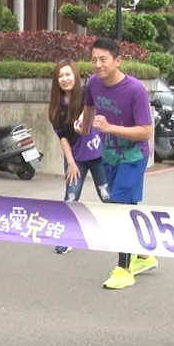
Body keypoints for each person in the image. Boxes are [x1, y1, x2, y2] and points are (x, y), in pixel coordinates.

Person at [78, 37, 155, 290]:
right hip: (109, 155)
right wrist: (84, 127)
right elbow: (89, 107)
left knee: (118, 207)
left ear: (117, 60)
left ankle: (124, 269)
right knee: (127, 205)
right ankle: (143, 256)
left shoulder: (135, 90)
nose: (97, 65)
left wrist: (110, 127)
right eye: (94, 60)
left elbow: (145, 132)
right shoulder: (93, 84)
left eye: (103, 59)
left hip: (133, 157)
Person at [49, 59, 109, 254]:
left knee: (107, 196)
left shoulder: (87, 95)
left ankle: (120, 237)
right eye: (61, 76)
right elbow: (63, 137)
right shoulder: (56, 107)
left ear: (75, 75)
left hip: (100, 155)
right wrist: (71, 163)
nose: (65, 79)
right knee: (71, 197)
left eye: (68, 74)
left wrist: (85, 117)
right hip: (76, 158)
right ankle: (67, 237)